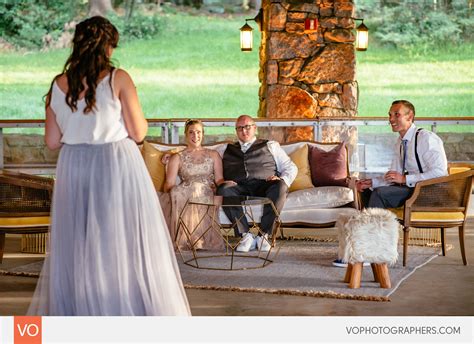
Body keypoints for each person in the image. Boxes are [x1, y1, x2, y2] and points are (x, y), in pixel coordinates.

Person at [28, 16, 190, 316]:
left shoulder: (59, 84)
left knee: (79, 239)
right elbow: (139, 132)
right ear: (108, 47)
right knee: (120, 237)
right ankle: (121, 307)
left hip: (74, 165)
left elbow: (52, 141)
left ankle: (82, 309)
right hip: (114, 163)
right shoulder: (118, 78)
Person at [333, 100, 448, 267]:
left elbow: (440, 173)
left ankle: (368, 252)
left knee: (381, 194)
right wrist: (371, 182)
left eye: (397, 115)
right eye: (390, 115)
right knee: (369, 192)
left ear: (410, 117)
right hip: (411, 189)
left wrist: (405, 179)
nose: (391, 119)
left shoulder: (426, 138)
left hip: (429, 193)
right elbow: (393, 176)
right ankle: (365, 246)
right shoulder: (400, 143)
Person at [217, 115, 297, 252]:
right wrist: (173, 154)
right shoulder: (224, 149)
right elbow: (204, 158)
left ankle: (263, 235)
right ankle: (245, 235)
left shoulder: (271, 146)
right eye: (240, 128)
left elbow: (290, 167)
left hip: (264, 185)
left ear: (255, 128)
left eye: (247, 127)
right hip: (238, 187)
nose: (244, 131)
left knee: (281, 186)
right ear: (236, 131)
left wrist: (282, 179)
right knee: (224, 189)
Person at [164, 119, 225, 251]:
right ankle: (190, 237)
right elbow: (168, 184)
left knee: (196, 189)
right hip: (185, 191)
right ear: (185, 134)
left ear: (203, 134)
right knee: (185, 191)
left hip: (207, 190)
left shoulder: (213, 155)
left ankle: (197, 237)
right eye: (191, 132)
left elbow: (219, 179)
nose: (195, 136)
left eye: (198, 132)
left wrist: (224, 186)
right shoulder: (177, 157)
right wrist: (174, 194)